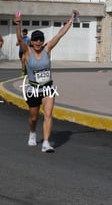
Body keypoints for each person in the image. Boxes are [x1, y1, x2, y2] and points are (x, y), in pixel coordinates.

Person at [14, 11, 76, 153]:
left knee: (48, 114)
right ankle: (32, 132)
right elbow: (19, 38)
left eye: (40, 40)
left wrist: (71, 21)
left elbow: (60, 34)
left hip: (48, 88)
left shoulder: (47, 49)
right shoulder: (27, 52)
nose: (38, 42)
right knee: (34, 117)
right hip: (33, 89)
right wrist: (18, 24)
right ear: (31, 42)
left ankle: (46, 143)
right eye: (36, 40)